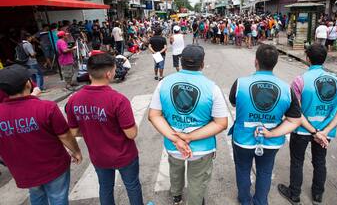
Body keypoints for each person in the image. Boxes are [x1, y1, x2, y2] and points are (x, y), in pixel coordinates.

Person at [148, 45, 229, 205]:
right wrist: (189, 137)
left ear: (181, 61)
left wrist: (177, 139)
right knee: (197, 182)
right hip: (201, 148)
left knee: (175, 170)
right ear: (202, 64)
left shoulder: (164, 83)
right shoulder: (212, 88)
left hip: (173, 145)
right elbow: (221, 123)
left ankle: (176, 195)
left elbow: (154, 115)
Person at [229, 44, 302, 205]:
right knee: (265, 171)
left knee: (242, 169)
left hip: (242, 139)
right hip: (270, 141)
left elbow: (234, 103)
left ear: (256, 61)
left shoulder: (240, 83)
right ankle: (261, 201)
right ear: (275, 63)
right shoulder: (286, 89)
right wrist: (271, 133)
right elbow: (295, 120)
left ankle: (244, 199)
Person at [65, 53, 142, 204]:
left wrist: (92, 128)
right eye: (114, 70)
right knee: (132, 186)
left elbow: (73, 131)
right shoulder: (118, 100)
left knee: (105, 187)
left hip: (99, 156)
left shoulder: (74, 100)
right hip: (124, 155)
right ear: (108, 74)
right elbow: (131, 133)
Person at [0, 64, 82, 204]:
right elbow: (65, 135)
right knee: (58, 198)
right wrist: (76, 151)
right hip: (53, 166)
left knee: (37, 196)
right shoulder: (46, 108)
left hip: (24, 170)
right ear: (28, 84)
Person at [278, 44, 337, 205]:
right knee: (320, 161)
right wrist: (324, 131)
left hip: (302, 130)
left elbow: (296, 113)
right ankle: (317, 195)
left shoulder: (300, 81)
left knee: (297, 161)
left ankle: (294, 194)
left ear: (307, 58)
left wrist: (314, 132)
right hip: (325, 132)